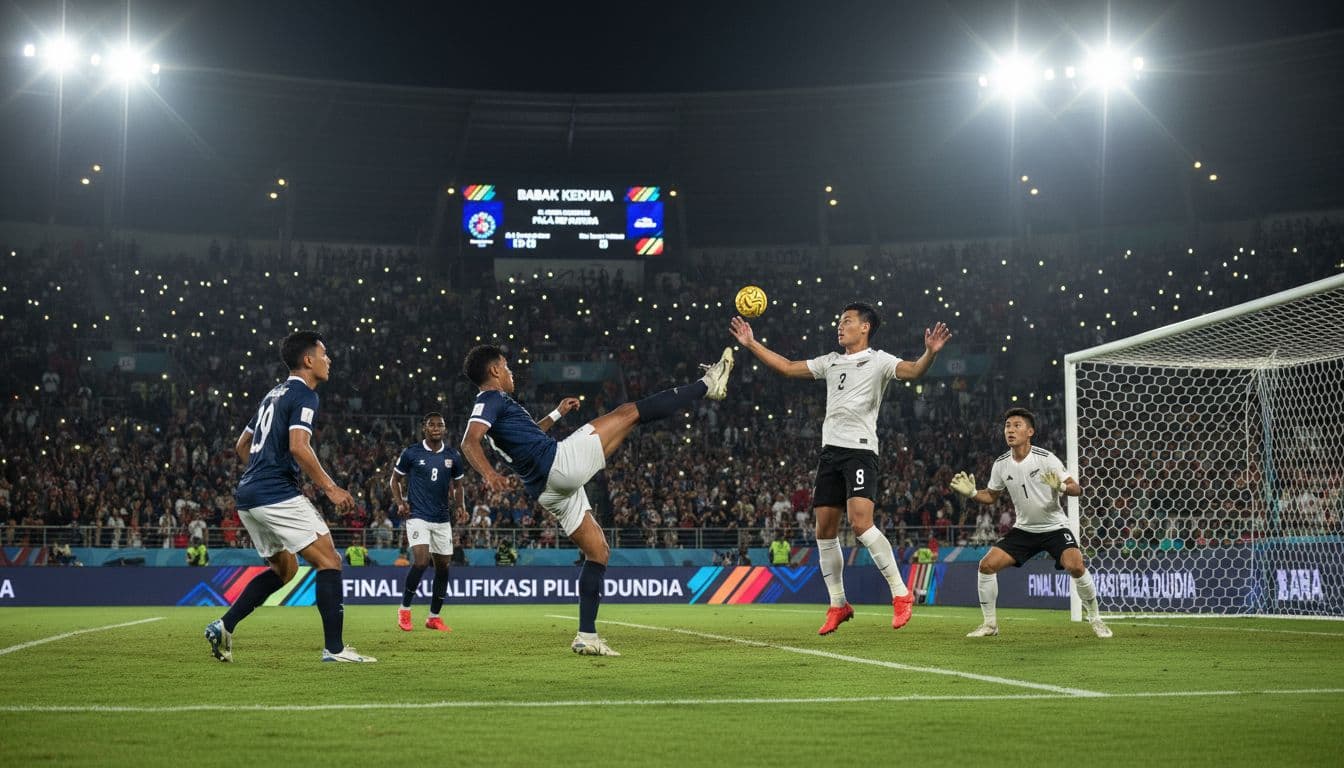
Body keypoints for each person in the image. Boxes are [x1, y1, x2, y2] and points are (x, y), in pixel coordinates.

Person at [461, 342, 734, 656]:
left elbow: (530, 434)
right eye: (506, 366)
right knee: (629, 412)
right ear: (494, 370)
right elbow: (469, 442)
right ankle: (708, 384)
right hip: (559, 464)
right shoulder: (491, 398)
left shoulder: (499, 405)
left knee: (599, 552)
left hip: (549, 490)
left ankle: (586, 636)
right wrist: (490, 476)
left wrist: (557, 413)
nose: (510, 372)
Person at [730, 303, 950, 635]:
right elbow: (788, 368)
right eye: (839, 321)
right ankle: (838, 604)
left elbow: (914, 371)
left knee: (861, 525)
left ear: (865, 327)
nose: (840, 325)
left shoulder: (880, 361)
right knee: (824, 532)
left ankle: (901, 594)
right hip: (830, 453)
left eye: (847, 321)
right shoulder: (830, 362)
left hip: (860, 451)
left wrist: (930, 353)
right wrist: (751, 343)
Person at [203, 330, 376, 664]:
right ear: (309, 360)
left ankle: (224, 626)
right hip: (274, 493)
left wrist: (263, 471)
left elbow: (242, 446)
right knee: (330, 561)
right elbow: (299, 446)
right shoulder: (305, 395)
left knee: (285, 570)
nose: (329, 360)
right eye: (324, 354)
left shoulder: (273, 395)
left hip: (249, 496)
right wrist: (331, 488)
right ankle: (335, 649)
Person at [950, 407, 1112, 639]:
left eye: (1017, 425)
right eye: (1007, 425)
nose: (1010, 430)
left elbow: (1077, 488)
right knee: (986, 565)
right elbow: (991, 496)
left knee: (1075, 565)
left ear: (1030, 432)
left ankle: (1096, 619)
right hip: (1024, 529)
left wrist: (1062, 487)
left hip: (1054, 527)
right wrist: (973, 492)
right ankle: (990, 625)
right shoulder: (1001, 464)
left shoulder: (1046, 459)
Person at [390, 412, 466, 632]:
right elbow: (394, 480)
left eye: (440, 425)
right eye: (431, 425)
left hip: (442, 519)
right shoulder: (412, 453)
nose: (436, 428)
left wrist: (460, 506)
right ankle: (404, 609)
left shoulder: (453, 455)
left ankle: (433, 617)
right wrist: (400, 502)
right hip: (418, 516)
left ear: (445, 429)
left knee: (443, 568)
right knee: (422, 561)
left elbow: (459, 485)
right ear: (424, 428)